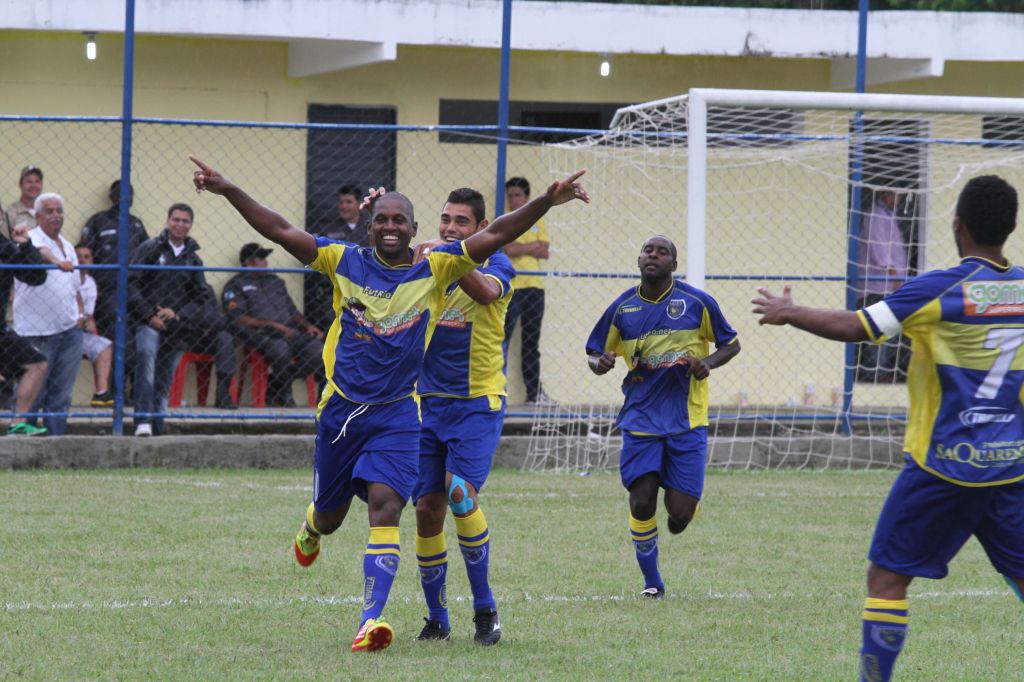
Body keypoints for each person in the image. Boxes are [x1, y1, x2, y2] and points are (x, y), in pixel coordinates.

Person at [189, 154, 587, 653]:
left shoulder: (438, 267)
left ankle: (371, 621)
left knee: (387, 506)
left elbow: (498, 235)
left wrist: (546, 200)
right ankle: (312, 525)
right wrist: (228, 189)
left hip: (401, 413)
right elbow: (280, 228)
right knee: (332, 517)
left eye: (401, 220)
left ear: (413, 228)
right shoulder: (343, 260)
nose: (392, 227)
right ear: (369, 227)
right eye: (383, 220)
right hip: (342, 411)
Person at [751, 175, 1024, 682]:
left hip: (942, 466)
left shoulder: (942, 288)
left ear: (957, 225)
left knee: (887, 579)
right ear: (1011, 226)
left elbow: (860, 326)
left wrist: (790, 312)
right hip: (1010, 467)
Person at [586, 235, 740, 598]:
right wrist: (601, 363)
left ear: (674, 264)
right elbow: (594, 353)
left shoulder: (697, 303)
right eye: (648, 250)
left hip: (688, 419)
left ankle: (685, 510)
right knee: (641, 500)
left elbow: (731, 343)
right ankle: (652, 583)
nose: (653, 255)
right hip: (640, 417)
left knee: (679, 512)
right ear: (639, 259)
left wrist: (706, 364)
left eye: (663, 252)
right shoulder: (622, 308)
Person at [412, 188, 515, 645]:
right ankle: (436, 619)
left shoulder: (497, 264)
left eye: (462, 223)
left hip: (476, 402)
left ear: (480, 229)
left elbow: (488, 293)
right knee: (426, 510)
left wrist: (453, 256)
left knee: (459, 493)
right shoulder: (427, 264)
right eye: (445, 220)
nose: (450, 228)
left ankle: (484, 609)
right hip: (425, 404)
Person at [128, 203, 237, 436]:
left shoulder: (193, 259)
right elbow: (131, 285)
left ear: (191, 225)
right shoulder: (149, 249)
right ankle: (142, 421)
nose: (180, 224)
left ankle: (157, 427)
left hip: (178, 328)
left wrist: (178, 313)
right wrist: (149, 314)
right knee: (146, 364)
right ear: (168, 221)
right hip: (147, 323)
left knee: (165, 378)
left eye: (185, 221)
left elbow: (201, 298)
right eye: (175, 220)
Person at [12, 193, 85, 436]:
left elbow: (75, 287)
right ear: (38, 215)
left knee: (61, 394)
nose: (56, 215)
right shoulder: (29, 239)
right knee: (33, 392)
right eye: (50, 211)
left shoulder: (69, 246)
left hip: (68, 329)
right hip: (37, 331)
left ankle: (56, 441)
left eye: (59, 211)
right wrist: (56, 260)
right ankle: (24, 440)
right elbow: (41, 251)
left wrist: (80, 315)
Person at [222, 243, 324, 406]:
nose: (266, 262)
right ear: (249, 262)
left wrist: (308, 325)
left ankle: (275, 384)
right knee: (281, 350)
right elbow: (237, 317)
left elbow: (293, 312)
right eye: (261, 258)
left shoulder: (276, 281)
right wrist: (272, 325)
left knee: (318, 351)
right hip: (262, 334)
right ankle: (285, 393)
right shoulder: (235, 285)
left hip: (289, 331)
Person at [502, 176, 554, 405]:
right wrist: (530, 247)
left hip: (535, 287)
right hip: (512, 288)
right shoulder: (504, 219)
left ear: (527, 197)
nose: (513, 200)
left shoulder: (537, 217)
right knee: (500, 339)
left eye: (517, 195)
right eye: (510, 196)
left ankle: (534, 394)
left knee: (531, 343)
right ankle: (496, 389)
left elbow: (545, 251)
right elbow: (507, 249)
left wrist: (520, 248)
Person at [78, 180, 150, 336]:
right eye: (122, 192)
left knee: (139, 328)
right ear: (112, 196)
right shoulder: (98, 221)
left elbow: (148, 255)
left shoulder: (136, 224)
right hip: (107, 290)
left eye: (130, 193)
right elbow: (84, 254)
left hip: (134, 290)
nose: (127, 197)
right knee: (117, 329)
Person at [0, 222, 49, 436]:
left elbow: (36, 277)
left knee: (36, 364)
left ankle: (18, 422)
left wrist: (26, 245)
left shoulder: (4, 246)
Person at [856, 188, 909, 383]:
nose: (898, 199)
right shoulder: (876, 216)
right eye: (895, 195)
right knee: (877, 333)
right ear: (884, 195)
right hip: (876, 287)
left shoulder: (890, 218)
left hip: (888, 287)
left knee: (889, 332)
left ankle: (880, 372)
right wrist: (896, 279)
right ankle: (872, 375)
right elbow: (881, 254)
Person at [304, 184, 371, 335]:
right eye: (340, 202)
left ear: (359, 204)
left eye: (348, 202)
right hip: (332, 291)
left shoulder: (370, 226)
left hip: (365, 292)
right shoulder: (326, 227)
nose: (343, 206)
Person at [74, 245, 115, 407]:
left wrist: (86, 320)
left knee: (104, 345)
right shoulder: (65, 278)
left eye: (86, 257)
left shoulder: (91, 283)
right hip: (60, 332)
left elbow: (88, 317)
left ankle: (101, 393)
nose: (82, 260)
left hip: (79, 333)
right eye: (78, 256)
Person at [3, 165, 43, 239]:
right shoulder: (10, 212)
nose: (33, 185)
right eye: (29, 181)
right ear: (20, 184)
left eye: (37, 181)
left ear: (41, 185)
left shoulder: (47, 212)